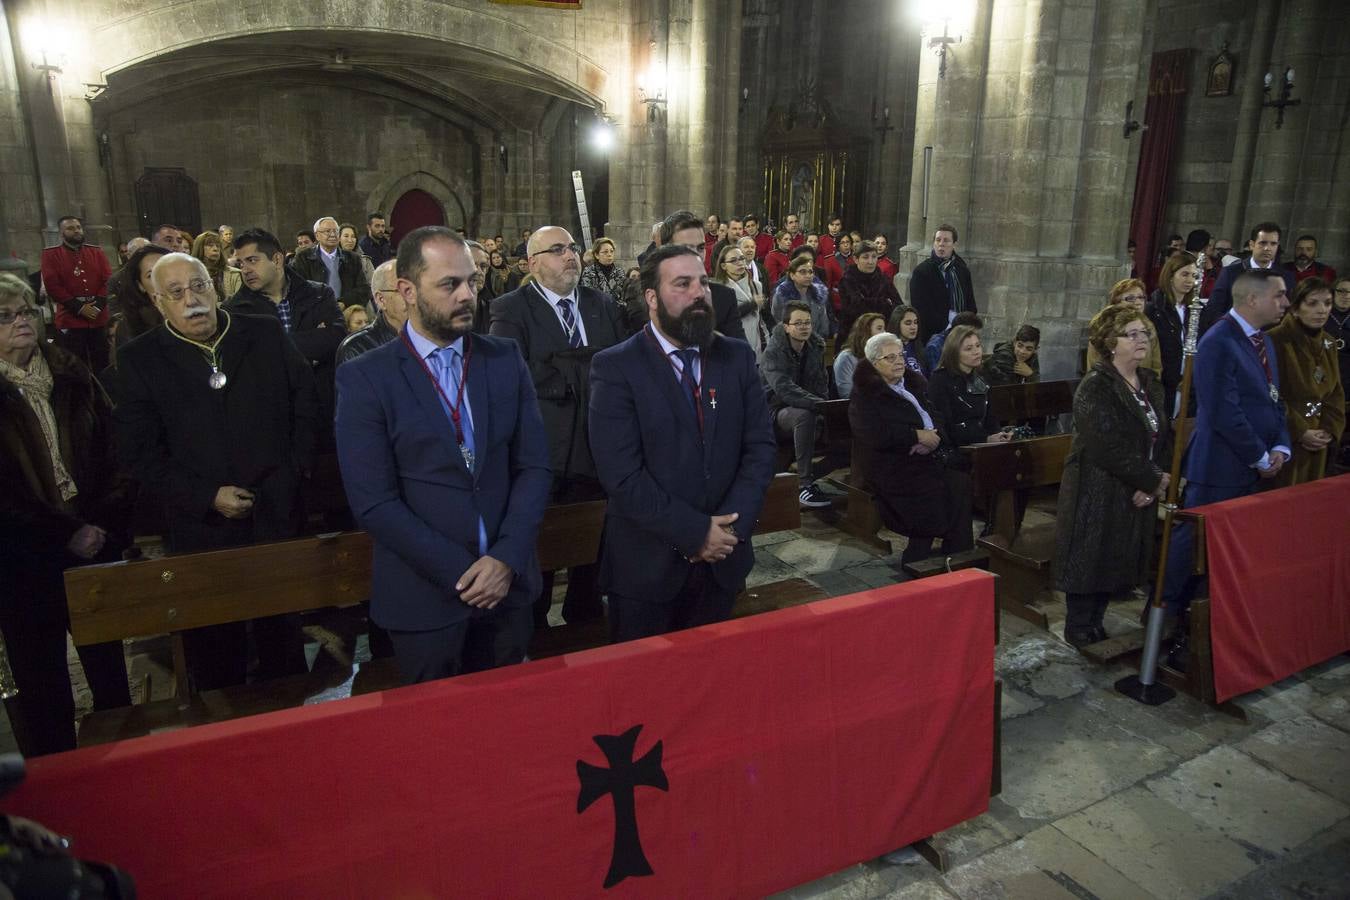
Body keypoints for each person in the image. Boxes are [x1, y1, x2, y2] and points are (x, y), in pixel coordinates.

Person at [335, 227, 550, 683]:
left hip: (507, 591)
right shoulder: (367, 378)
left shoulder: (503, 358)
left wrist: (506, 559)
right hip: (426, 597)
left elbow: (533, 467)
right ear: (407, 291)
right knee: (436, 741)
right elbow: (374, 502)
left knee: (505, 729)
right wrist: (465, 572)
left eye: (471, 281)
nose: (467, 295)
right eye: (449, 284)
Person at [115, 252, 317, 690]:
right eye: (176, 292)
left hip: (274, 513)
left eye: (200, 285)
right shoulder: (140, 360)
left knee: (283, 641)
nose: (193, 300)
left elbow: (305, 399)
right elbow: (139, 454)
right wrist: (207, 496)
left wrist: (292, 471)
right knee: (217, 657)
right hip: (201, 525)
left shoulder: (261, 332)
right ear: (157, 301)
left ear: (216, 286)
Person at [587, 243, 776, 642]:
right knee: (645, 692)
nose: (698, 294)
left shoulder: (735, 357)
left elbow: (759, 449)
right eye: (683, 284)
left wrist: (728, 531)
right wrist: (695, 533)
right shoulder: (616, 367)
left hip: (723, 562)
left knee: (714, 689)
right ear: (652, 298)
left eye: (703, 283)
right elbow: (621, 475)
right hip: (647, 570)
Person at [0, 274, 132, 755]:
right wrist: (64, 533)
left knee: (110, 676)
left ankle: (122, 771)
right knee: (43, 684)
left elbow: (114, 451)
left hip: (93, 541)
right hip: (24, 559)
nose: (21, 322)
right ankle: (58, 787)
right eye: (6, 316)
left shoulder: (72, 374)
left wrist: (100, 525)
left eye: (26, 311)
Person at [490, 226, 625, 625]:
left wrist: (562, 363)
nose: (570, 256)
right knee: (542, 552)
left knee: (594, 543)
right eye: (557, 250)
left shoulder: (601, 303)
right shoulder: (510, 308)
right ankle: (534, 625)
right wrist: (576, 369)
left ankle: (583, 615)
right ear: (532, 263)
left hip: (597, 449)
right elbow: (511, 371)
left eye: (572, 248)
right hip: (544, 453)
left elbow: (618, 363)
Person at [1160, 270, 1292, 670]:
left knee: (1225, 554)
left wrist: (1281, 445)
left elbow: (1273, 401)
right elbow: (1222, 411)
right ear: (1253, 300)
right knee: (1193, 546)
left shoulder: (1263, 340)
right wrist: (1258, 455)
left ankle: (1204, 623)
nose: (1286, 303)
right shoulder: (1219, 341)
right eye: (1280, 296)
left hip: (1254, 466)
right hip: (1219, 468)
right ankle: (1166, 617)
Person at [1054, 305, 1170, 647]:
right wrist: (1150, 480)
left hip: (1134, 487)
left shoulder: (1150, 384)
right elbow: (1107, 445)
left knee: (1116, 556)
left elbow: (1162, 435)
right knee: (1090, 555)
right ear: (1110, 343)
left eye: (1144, 333)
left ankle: (1098, 621)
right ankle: (1078, 626)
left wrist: (1153, 481)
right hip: (1096, 487)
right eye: (1131, 334)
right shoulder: (1096, 386)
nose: (1141, 340)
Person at [849, 331, 974, 565]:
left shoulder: (913, 383)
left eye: (900, 355)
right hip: (891, 464)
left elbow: (935, 414)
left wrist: (933, 437)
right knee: (931, 488)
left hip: (924, 458)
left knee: (960, 482)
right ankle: (917, 557)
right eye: (890, 358)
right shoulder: (865, 393)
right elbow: (873, 433)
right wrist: (915, 436)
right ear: (875, 363)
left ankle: (958, 551)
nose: (899, 362)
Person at [226, 228, 346, 431]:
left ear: (277, 259)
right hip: (271, 417)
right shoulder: (235, 310)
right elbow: (248, 362)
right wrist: (311, 341)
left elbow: (336, 339)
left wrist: (272, 346)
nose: (244, 270)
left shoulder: (318, 294)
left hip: (322, 408)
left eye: (252, 260)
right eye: (241, 263)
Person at [1269, 278, 1344, 485]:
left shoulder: (1328, 341)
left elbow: (1336, 391)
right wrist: (1300, 431)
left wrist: (1329, 428)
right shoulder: (1275, 340)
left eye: (1327, 303)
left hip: (1320, 435)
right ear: (1295, 308)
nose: (1322, 310)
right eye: (1313, 303)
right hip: (1285, 437)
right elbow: (1271, 393)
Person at [762, 301, 833, 508]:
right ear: (786, 326)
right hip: (773, 410)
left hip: (808, 405)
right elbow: (783, 389)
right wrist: (819, 405)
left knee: (841, 418)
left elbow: (822, 383)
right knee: (804, 415)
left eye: (808, 323)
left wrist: (825, 406)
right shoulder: (773, 352)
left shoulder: (815, 347)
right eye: (798, 323)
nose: (804, 327)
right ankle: (804, 485)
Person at [40, 215, 113, 374]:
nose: (76, 231)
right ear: (61, 233)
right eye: (70, 228)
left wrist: (98, 306)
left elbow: (108, 279)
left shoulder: (96, 252)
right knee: (76, 365)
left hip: (98, 316)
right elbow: (53, 286)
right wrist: (79, 308)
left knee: (102, 362)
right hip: (71, 318)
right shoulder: (51, 255)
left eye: (78, 227)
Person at [662, 211, 748, 343]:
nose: (696, 256)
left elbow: (743, 354)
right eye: (686, 248)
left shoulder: (724, 297)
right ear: (664, 251)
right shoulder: (652, 294)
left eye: (701, 247)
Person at [927, 325, 1011, 456]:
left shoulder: (979, 379)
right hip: (957, 449)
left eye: (978, 346)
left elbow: (990, 417)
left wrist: (998, 435)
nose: (976, 351)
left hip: (982, 444)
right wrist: (985, 439)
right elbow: (946, 428)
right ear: (954, 352)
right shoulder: (940, 380)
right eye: (968, 349)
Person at [1200, 221, 1296, 335]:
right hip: (1234, 336)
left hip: (1271, 340)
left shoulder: (1286, 277)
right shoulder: (1230, 273)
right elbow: (1214, 310)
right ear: (1252, 245)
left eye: (1273, 244)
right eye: (1263, 243)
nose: (1267, 248)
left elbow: (1288, 315)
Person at [1143, 256, 1198, 417]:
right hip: (1163, 384)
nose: (1190, 280)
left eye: (1194, 276)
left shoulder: (1195, 309)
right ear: (1170, 276)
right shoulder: (1155, 309)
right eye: (1185, 274)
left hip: (1187, 385)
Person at [909, 224, 977, 345]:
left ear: (954, 244)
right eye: (938, 240)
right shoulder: (922, 271)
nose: (941, 244)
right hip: (935, 334)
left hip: (962, 332)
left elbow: (970, 301)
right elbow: (920, 308)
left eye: (946, 240)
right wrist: (947, 327)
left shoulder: (961, 269)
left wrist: (967, 325)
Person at [292, 216, 371, 309]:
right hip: (315, 313)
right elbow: (298, 288)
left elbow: (363, 289)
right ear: (317, 235)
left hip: (346, 312)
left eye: (336, 231)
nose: (333, 234)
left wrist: (344, 303)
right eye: (328, 231)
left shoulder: (352, 258)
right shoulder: (303, 258)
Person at [836, 239, 900, 350]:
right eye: (865, 257)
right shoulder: (847, 280)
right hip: (852, 338)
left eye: (874, 256)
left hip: (880, 337)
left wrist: (867, 301)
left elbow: (898, 305)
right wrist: (884, 303)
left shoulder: (883, 279)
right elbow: (855, 308)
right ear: (856, 259)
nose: (870, 261)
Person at [338, 260, 404, 366]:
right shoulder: (357, 349)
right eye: (403, 291)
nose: (413, 298)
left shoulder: (436, 338)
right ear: (381, 299)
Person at [712, 243, 771, 362]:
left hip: (757, 346)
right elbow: (723, 318)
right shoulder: (718, 289)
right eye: (733, 260)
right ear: (723, 266)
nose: (740, 263)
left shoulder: (756, 285)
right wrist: (751, 304)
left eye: (742, 259)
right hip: (731, 347)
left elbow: (763, 318)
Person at [105, 243, 169, 348]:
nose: (162, 279)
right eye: (151, 275)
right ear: (141, 285)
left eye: (166, 271)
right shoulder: (130, 328)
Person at [770, 255, 834, 341]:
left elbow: (823, 323)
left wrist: (817, 343)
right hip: (789, 344)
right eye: (802, 272)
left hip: (814, 343)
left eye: (810, 272)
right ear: (792, 275)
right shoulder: (782, 295)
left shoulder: (818, 295)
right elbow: (779, 321)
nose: (808, 275)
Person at [833, 313, 886, 399]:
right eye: (879, 328)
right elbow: (846, 394)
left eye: (884, 329)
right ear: (866, 331)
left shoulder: (881, 356)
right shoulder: (846, 358)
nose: (884, 333)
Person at [191, 230, 240, 299]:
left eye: (218, 246)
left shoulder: (234, 274)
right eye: (210, 245)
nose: (215, 249)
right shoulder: (190, 275)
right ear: (199, 248)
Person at [887, 304, 929, 380]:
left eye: (915, 322)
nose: (913, 327)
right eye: (908, 323)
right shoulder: (889, 350)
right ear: (897, 324)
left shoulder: (918, 348)